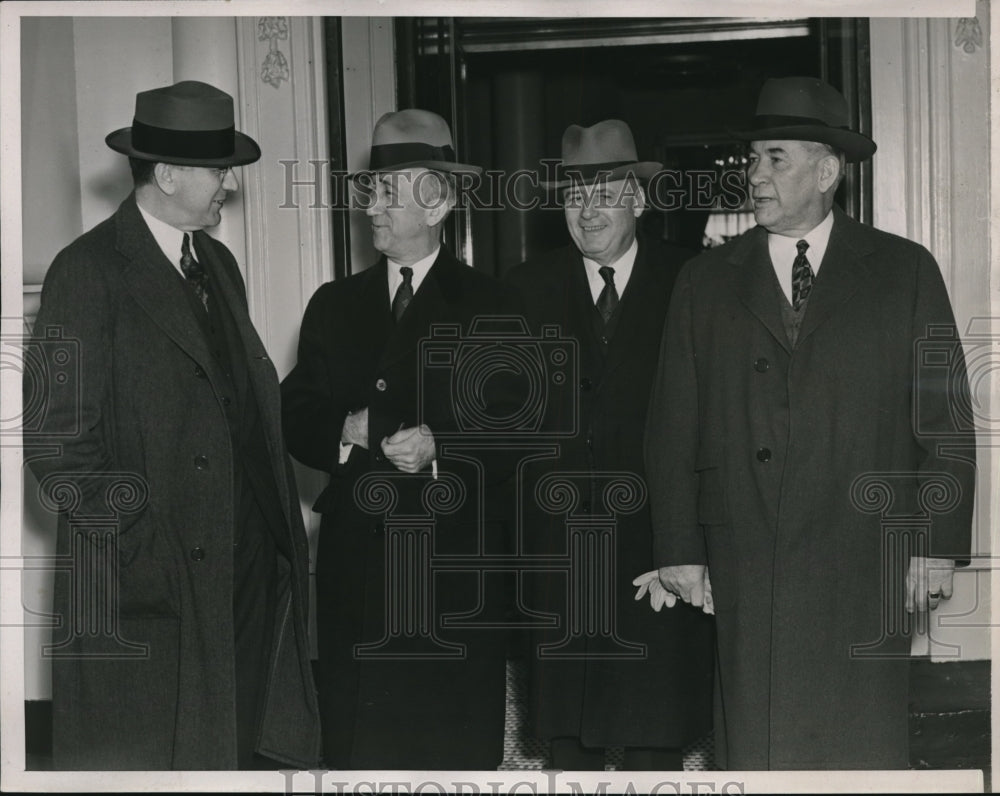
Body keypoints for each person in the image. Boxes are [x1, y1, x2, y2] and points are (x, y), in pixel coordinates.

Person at [643, 76, 976, 770]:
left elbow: (945, 422)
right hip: (747, 552)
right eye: (753, 158)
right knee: (759, 746)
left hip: (864, 555)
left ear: (827, 171)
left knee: (859, 744)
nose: (754, 176)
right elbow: (672, 423)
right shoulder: (705, 281)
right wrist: (679, 546)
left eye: (775, 158)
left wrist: (937, 544)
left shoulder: (903, 271)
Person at [25, 81, 320, 769]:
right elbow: (57, 445)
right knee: (162, 761)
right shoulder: (87, 271)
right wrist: (143, 548)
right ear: (167, 174)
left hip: (242, 573)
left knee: (239, 748)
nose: (227, 185)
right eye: (218, 170)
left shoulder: (217, 263)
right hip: (154, 584)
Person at [280, 109, 522, 770]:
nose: (372, 207)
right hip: (358, 563)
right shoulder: (334, 303)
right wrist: (346, 429)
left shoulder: (492, 305)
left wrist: (442, 445)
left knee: (448, 751)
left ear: (439, 201)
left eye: (390, 190)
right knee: (361, 753)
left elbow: (520, 426)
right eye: (369, 191)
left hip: (453, 564)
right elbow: (294, 408)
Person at [505, 120, 714, 771]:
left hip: (656, 552)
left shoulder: (694, 281)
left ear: (641, 200)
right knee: (567, 743)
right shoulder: (522, 289)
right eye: (574, 196)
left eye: (605, 192)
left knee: (656, 735)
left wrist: (693, 546)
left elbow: (715, 424)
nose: (588, 210)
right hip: (558, 558)